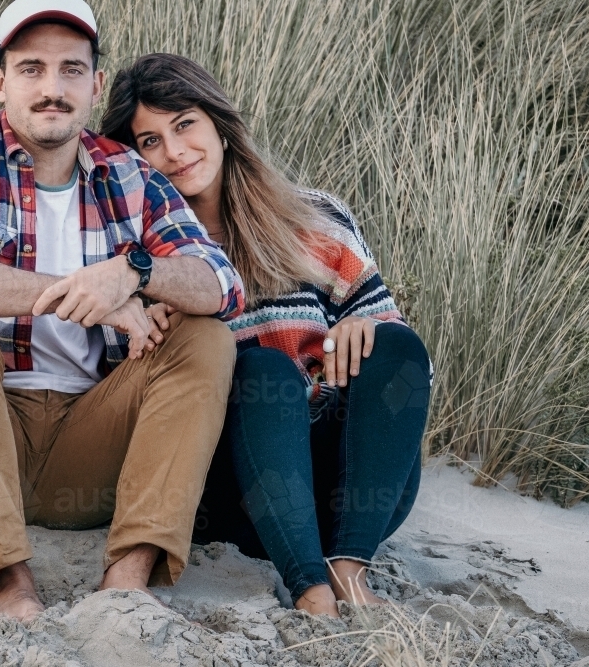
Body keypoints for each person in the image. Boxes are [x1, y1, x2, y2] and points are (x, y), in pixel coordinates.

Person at [0, 2, 245, 623]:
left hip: (83, 443)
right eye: (31, 69)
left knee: (207, 340)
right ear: (0, 82)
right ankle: (10, 588)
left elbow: (222, 283)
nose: (52, 89)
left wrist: (132, 273)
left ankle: (127, 583)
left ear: (96, 85)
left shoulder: (128, 175)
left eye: (72, 69)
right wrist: (92, 300)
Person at [100, 53, 431, 618]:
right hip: (237, 491)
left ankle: (347, 570)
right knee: (261, 369)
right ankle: (309, 591)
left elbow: (403, 373)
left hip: (346, 489)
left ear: (220, 127)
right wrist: (147, 333)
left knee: (397, 344)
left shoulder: (317, 216)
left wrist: (363, 325)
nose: (175, 152)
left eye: (185, 125)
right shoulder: (137, 255)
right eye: (150, 141)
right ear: (132, 158)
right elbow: (124, 390)